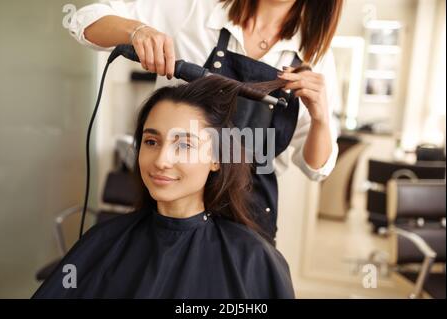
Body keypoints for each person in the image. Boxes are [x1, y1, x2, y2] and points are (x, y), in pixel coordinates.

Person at [68, 0, 343, 243]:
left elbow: (317, 168)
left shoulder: (316, 56)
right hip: (173, 207)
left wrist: (320, 117)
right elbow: (83, 21)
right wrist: (137, 31)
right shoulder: (196, 10)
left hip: (250, 220)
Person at [32, 76, 295, 299]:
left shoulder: (253, 259)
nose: (161, 160)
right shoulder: (102, 242)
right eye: (151, 142)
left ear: (216, 158)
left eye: (184, 145)